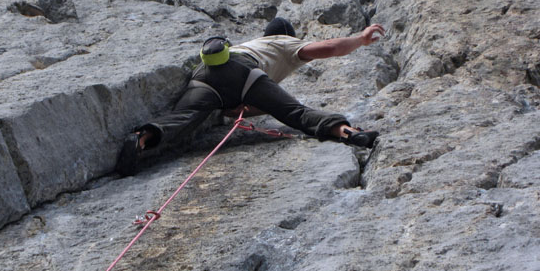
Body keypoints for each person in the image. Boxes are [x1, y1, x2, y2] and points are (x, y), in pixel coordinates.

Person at [117, 17, 386, 175]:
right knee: (297, 114)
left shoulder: (249, 44)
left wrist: (236, 108)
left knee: (183, 117)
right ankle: (347, 132)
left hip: (205, 73)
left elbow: (255, 102)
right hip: (244, 73)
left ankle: (141, 139)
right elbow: (328, 48)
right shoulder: (283, 42)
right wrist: (360, 39)